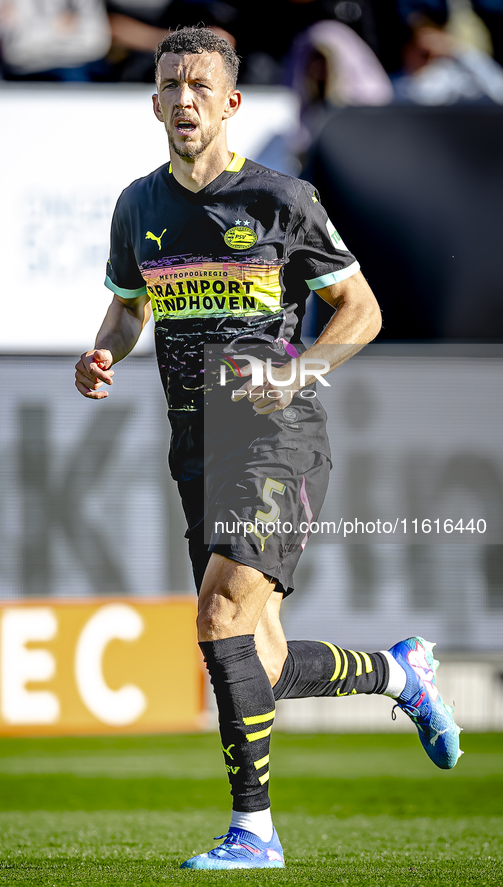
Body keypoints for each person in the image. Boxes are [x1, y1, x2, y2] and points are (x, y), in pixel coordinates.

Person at [74, 25, 462, 871]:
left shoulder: (280, 200)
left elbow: (362, 311)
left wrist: (297, 371)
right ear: (152, 102)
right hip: (196, 442)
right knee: (261, 653)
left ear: (230, 103)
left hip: (276, 436)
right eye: (170, 84)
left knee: (217, 617)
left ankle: (253, 829)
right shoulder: (137, 206)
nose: (184, 99)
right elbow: (128, 305)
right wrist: (105, 347)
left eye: (199, 86)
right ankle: (399, 674)